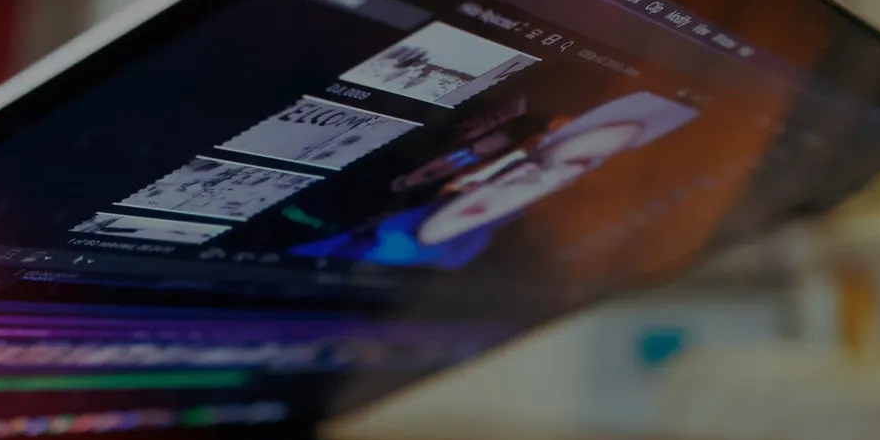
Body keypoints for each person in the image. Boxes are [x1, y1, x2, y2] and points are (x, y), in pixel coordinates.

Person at [290, 92, 699, 270]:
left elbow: (422, 243)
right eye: (542, 157)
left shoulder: (469, 249)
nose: (567, 174)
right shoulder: (369, 178)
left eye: (583, 166)